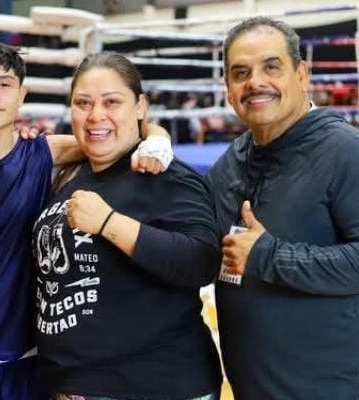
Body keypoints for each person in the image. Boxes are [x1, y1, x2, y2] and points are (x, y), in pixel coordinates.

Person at [0, 41, 172, 400]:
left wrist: (158, 141)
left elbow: (124, 132)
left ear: (21, 93)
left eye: (4, 84)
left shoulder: (45, 153)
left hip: (27, 355)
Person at [205, 17, 359, 399]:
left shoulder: (349, 153)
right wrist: (152, 136)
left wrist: (268, 255)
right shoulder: (232, 161)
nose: (255, 82)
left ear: (301, 74)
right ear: (228, 89)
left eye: (271, 67)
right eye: (240, 72)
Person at [32, 52, 222, 400]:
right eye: (83, 103)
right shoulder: (68, 176)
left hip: (156, 384)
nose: (95, 115)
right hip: (74, 383)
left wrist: (109, 223)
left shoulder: (162, 174)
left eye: (112, 102)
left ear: (140, 107)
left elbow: (202, 262)